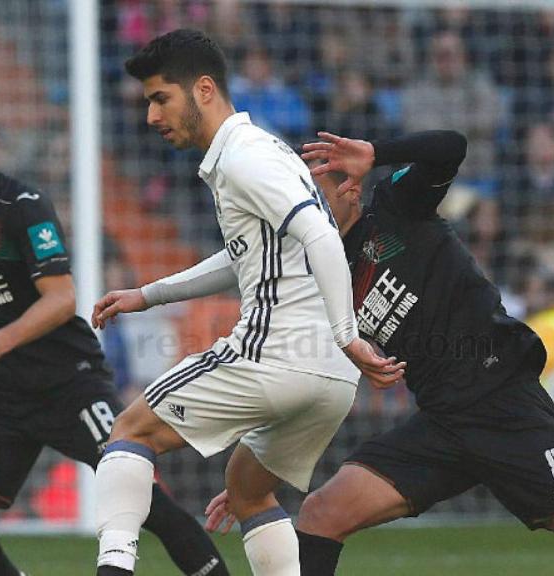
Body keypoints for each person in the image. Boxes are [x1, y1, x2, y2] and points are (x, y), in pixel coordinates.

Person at [207, 130, 554, 576]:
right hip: (441, 421)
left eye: (312, 193)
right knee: (321, 512)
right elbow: (304, 372)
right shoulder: (321, 272)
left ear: (350, 189)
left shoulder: (395, 206)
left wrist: (377, 151)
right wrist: (250, 480)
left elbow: (450, 146)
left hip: (503, 404)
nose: (301, 207)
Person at [88, 30, 403, 576]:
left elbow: (323, 239)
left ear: (204, 89)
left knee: (130, 430)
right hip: (330, 381)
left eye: (160, 98)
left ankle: (112, 568)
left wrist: (348, 333)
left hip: (278, 354)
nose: (152, 116)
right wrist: (149, 294)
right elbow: (246, 257)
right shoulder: (262, 150)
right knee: (248, 490)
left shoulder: (244, 158)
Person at [0, 86, 228, 576]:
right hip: (3, 392)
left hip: (69, 381)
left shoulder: (21, 206)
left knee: (142, 499)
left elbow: (61, 300)